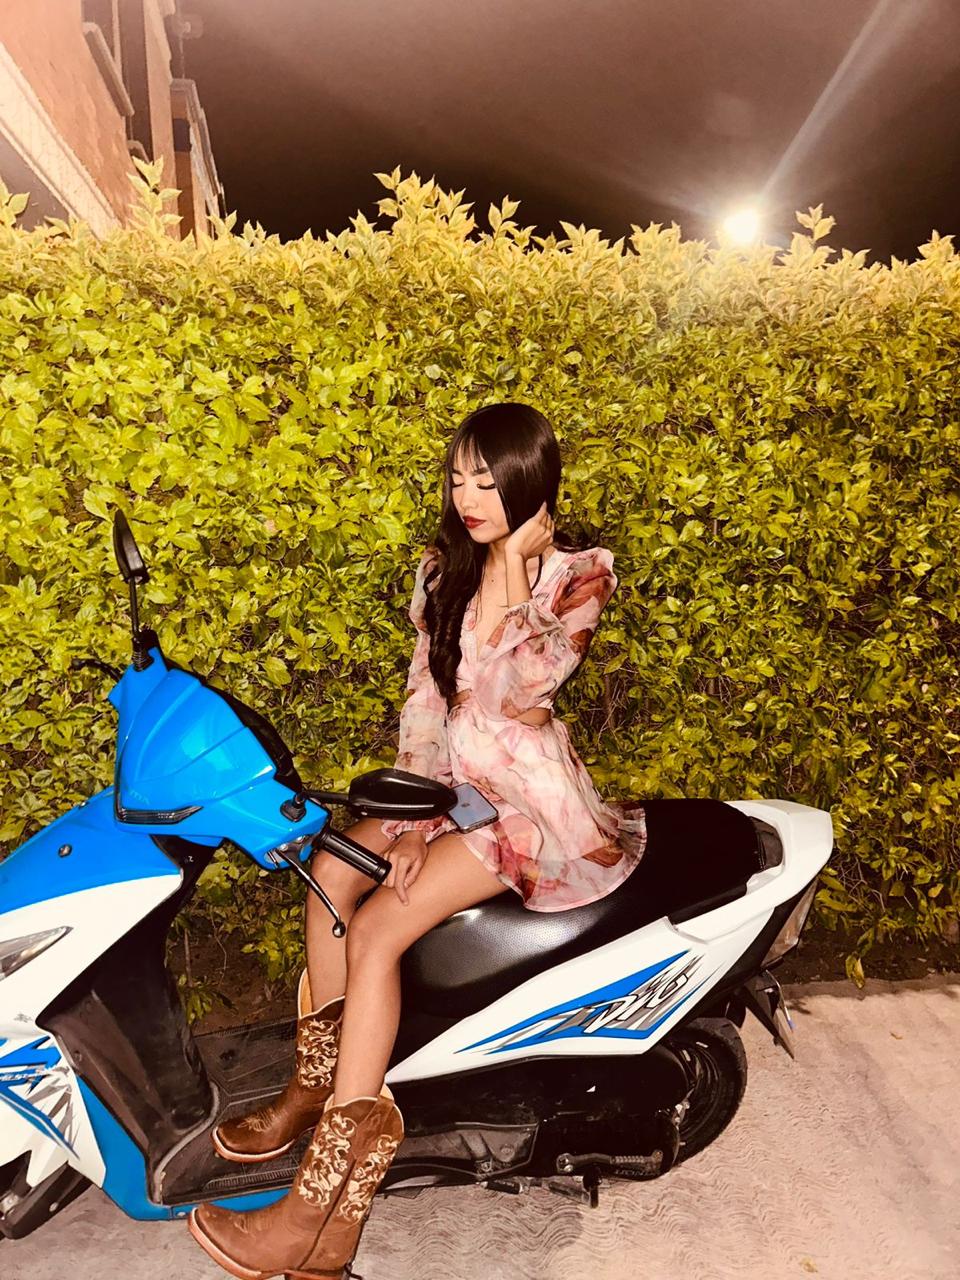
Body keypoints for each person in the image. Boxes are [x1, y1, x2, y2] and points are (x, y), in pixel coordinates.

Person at [188, 402, 649, 1279]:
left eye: (488, 481)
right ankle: (320, 1086)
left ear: (532, 484)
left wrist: (510, 567)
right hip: (456, 789)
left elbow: (521, 692)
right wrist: (416, 815)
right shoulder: (443, 571)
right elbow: (428, 705)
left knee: (377, 929)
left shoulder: (578, 576)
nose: (468, 498)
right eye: (458, 478)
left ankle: (320, 1208)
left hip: (526, 809)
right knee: (331, 869)